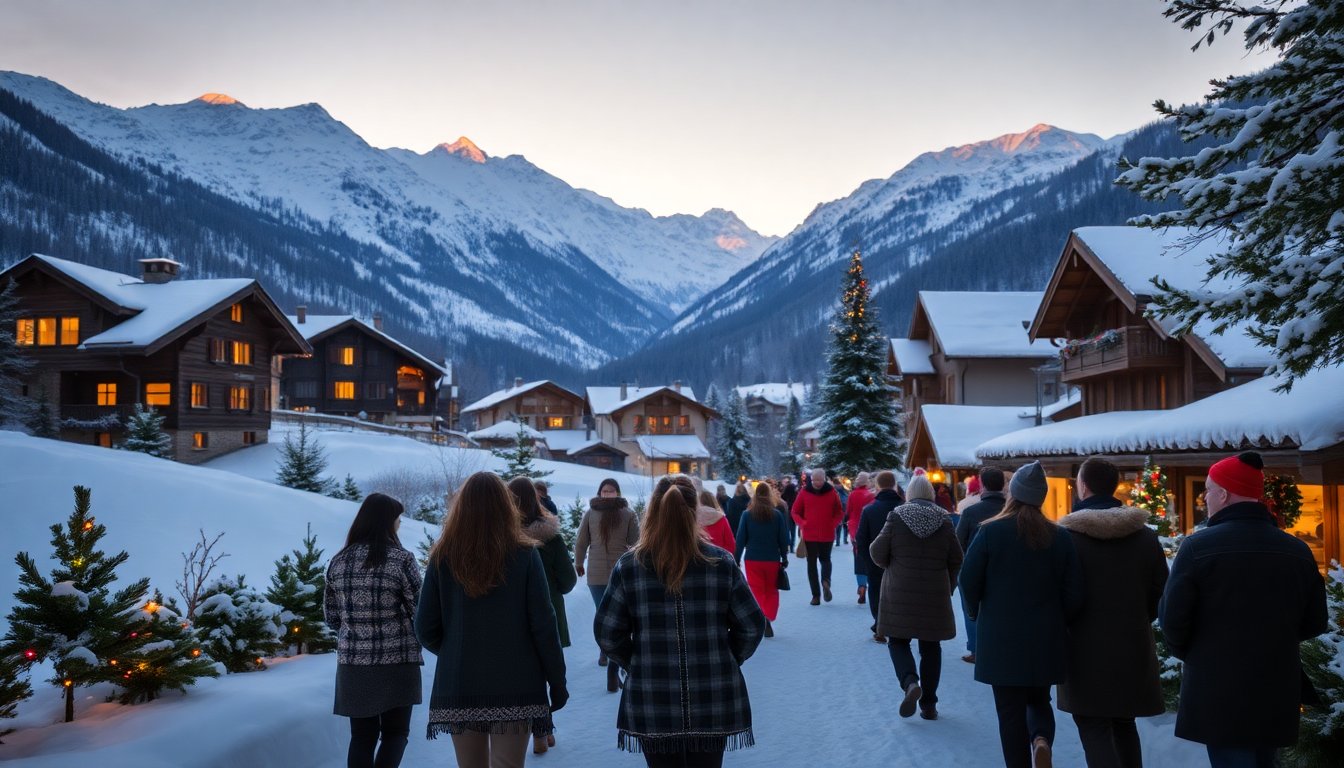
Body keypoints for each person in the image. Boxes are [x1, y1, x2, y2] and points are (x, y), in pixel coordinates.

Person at [1159, 452, 1327, 768]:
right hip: (1276, 684)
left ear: (1223, 493)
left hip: (1217, 687)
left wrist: (1199, 654)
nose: (1204, 497)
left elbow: (1173, 622)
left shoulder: (1197, 548)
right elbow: (1316, 621)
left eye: (1207, 489)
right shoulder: (1297, 550)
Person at [595, 474, 766, 767]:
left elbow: (608, 632)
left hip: (652, 696)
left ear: (653, 513)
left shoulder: (630, 567)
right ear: (694, 514)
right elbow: (751, 624)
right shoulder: (721, 564)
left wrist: (636, 662)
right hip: (713, 694)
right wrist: (725, 657)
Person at [416, 472, 568, 768]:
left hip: (460, 681)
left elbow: (424, 627)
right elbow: (543, 625)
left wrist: (456, 650)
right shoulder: (525, 556)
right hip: (517, 680)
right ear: (505, 506)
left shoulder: (443, 557)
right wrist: (557, 681)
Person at [960, 461, 1083, 768]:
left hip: (1000, 637)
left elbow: (968, 579)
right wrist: (1061, 619)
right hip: (1045, 634)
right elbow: (1074, 590)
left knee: (1009, 711)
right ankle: (1040, 738)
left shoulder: (990, 532)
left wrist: (975, 612)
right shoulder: (1060, 536)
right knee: (1040, 699)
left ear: (1012, 495)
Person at [1056, 458, 1168, 768]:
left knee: (1093, 727)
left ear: (1084, 486)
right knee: (1123, 723)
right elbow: (1161, 589)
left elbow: (1058, 592)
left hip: (1081, 648)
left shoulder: (1068, 537)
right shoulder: (1144, 537)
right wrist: (1137, 616)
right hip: (1131, 646)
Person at [325, 493, 423, 768]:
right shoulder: (401, 559)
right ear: (387, 522)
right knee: (395, 734)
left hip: (354, 663)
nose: (400, 525)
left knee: (362, 738)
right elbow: (421, 611)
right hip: (397, 660)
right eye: (398, 519)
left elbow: (332, 617)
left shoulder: (339, 561)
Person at [869, 475, 963, 721]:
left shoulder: (897, 516)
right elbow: (956, 559)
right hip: (934, 594)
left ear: (909, 494)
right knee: (931, 647)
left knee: (897, 641)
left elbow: (876, 551)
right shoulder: (945, 520)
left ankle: (910, 682)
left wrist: (890, 566)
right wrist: (948, 585)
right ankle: (929, 705)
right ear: (931, 494)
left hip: (899, 592)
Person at [508, 477, 577, 755]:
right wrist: (554, 590)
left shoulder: (502, 537)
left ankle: (538, 730)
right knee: (544, 669)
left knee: (523, 672)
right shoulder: (550, 536)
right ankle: (542, 730)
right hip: (548, 610)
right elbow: (569, 579)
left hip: (512, 616)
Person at [574, 478, 639, 692]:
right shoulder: (591, 513)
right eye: (604, 490)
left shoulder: (628, 514)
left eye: (611, 491)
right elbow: (582, 541)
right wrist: (578, 561)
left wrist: (637, 565)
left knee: (620, 614)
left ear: (618, 493)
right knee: (602, 613)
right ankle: (606, 650)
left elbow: (636, 543)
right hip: (597, 574)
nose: (607, 494)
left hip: (621, 573)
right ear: (599, 492)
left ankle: (615, 654)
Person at [955, 467, 1006, 664]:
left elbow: (959, 542)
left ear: (982, 485)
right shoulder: (1009, 510)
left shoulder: (970, 512)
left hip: (973, 567)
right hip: (1003, 568)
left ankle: (976, 649)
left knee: (971, 609)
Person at [734, 481, 790, 638]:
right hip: (772, 558)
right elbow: (783, 538)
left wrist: (736, 558)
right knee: (771, 590)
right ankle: (768, 616)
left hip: (752, 559)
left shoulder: (747, 515)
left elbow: (740, 539)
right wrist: (784, 556)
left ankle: (761, 618)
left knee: (756, 589)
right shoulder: (777, 515)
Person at [855, 470, 903, 643]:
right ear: (894, 485)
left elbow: (861, 539)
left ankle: (880, 625)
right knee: (898, 593)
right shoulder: (904, 508)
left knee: (876, 591)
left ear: (878, 486)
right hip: (901, 560)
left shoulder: (869, 510)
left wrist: (867, 559)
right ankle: (898, 626)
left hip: (876, 559)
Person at [791, 468, 845, 605]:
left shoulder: (832, 493)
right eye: (815, 480)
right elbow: (795, 512)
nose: (818, 483)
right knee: (815, 563)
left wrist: (832, 524)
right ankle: (819, 591)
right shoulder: (804, 492)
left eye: (820, 480)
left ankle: (822, 587)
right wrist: (803, 523)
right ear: (811, 480)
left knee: (821, 561)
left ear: (824, 479)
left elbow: (839, 512)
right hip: (810, 535)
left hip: (826, 534)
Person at [846, 471, 875, 604]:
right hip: (868, 530)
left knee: (858, 558)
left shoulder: (852, 494)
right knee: (870, 558)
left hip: (854, 530)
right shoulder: (871, 495)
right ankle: (872, 584)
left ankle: (861, 586)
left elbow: (848, 512)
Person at [697, 488, 737, 552]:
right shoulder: (721, 518)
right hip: (719, 559)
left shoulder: (693, 520)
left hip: (698, 559)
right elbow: (731, 545)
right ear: (713, 502)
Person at [829, 469, 850, 545]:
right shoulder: (843, 487)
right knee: (844, 524)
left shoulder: (833, 488)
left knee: (839, 524)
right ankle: (844, 539)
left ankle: (837, 541)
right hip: (845, 504)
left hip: (839, 505)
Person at [779, 475, 799, 547]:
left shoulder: (785, 493)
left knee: (787, 528)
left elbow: (782, 499)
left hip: (787, 512)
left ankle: (788, 543)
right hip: (793, 512)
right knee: (793, 530)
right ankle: (792, 545)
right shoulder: (795, 493)